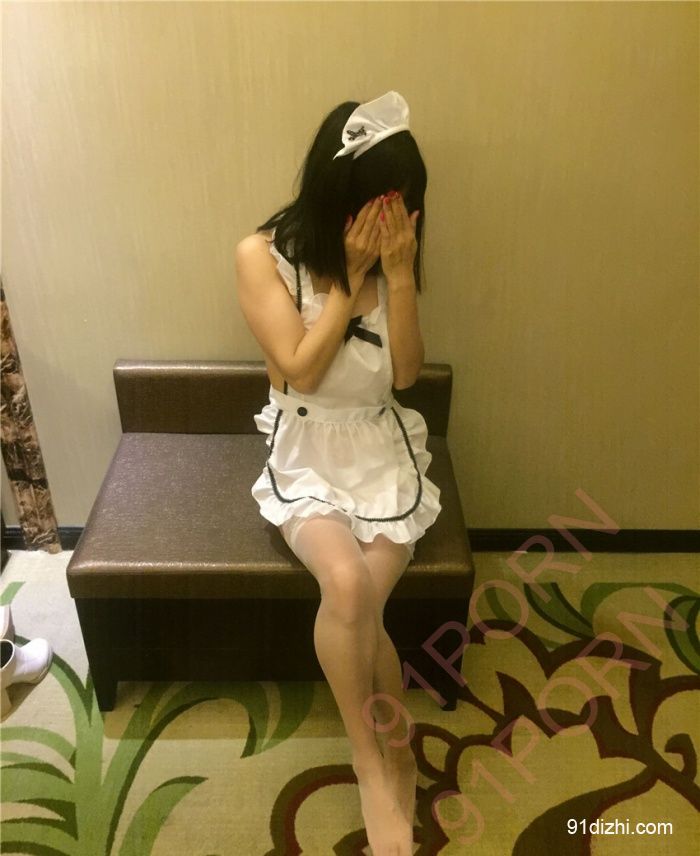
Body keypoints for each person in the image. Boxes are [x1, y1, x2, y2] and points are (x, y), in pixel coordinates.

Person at [235, 91, 441, 856]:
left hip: (380, 449)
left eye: (404, 207)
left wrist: (401, 276)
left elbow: (407, 375)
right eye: (379, 206)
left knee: (362, 605)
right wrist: (347, 285)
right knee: (348, 586)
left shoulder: (396, 256)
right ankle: (375, 759)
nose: (392, 222)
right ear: (338, 196)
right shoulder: (261, 256)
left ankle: (393, 749)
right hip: (307, 449)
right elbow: (299, 374)